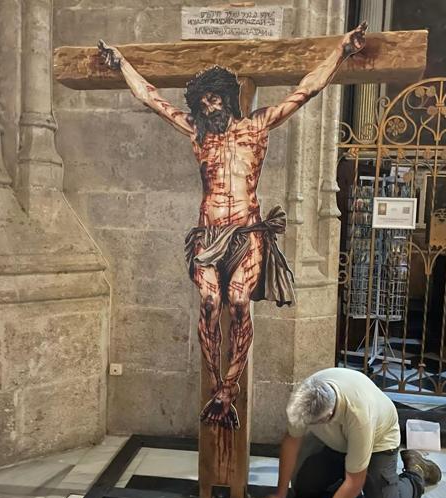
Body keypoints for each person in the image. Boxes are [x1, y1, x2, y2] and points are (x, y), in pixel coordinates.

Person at [97, 23, 367, 429]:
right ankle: (215, 385)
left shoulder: (256, 127)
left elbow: (306, 89)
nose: (209, 107)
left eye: (214, 98)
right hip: (207, 235)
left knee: (240, 303)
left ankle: (230, 387)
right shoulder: (197, 134)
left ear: (228, 98)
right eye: (202, 101)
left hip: (245, 234)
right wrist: (121, 65)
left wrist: (342, 51)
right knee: (208, 305)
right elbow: (151, 98)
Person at [263, 367, 442, 498]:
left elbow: (355, 481)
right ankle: (346, 471)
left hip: (379, 441)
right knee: (303, 488)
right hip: (336, 442)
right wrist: (280, 493)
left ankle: (417, 471)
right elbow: (292, 441)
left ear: (327, 416)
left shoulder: (359, 415)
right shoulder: (305, 397)